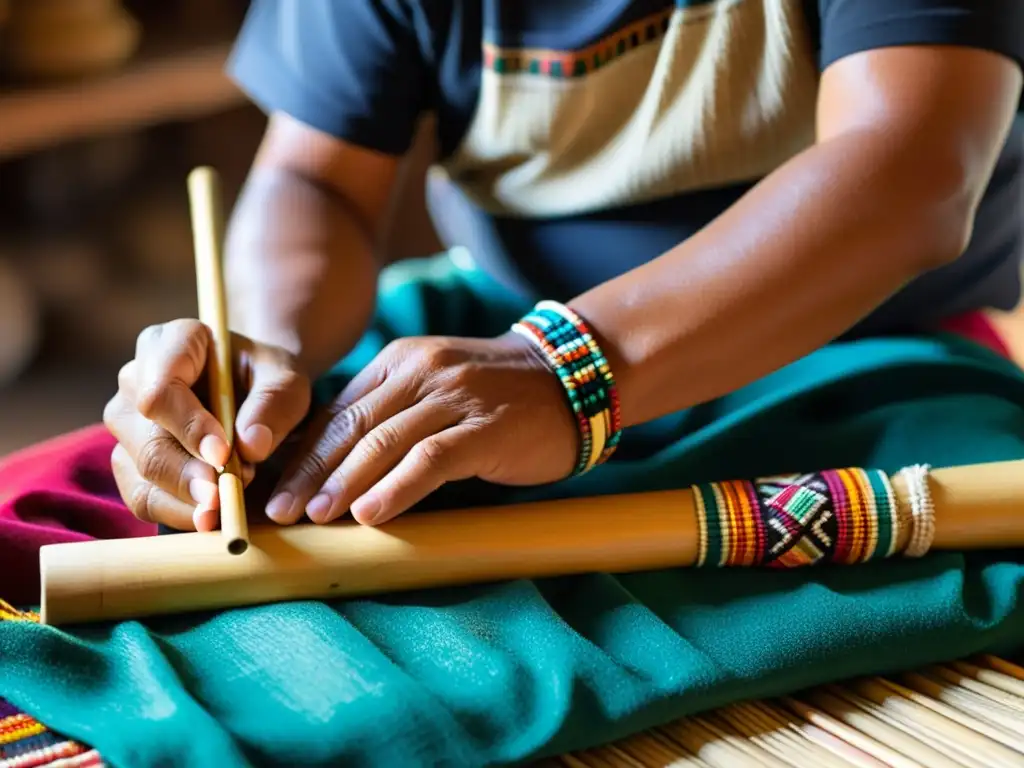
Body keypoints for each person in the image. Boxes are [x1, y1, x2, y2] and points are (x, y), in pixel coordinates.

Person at [103, 0, 1023, 533]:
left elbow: (912, 172)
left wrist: (570, 370)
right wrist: (266, 353)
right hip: (507, 327)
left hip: (875, 351)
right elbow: (318, 179)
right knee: (73, 502)